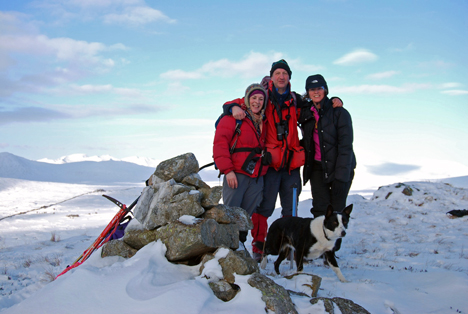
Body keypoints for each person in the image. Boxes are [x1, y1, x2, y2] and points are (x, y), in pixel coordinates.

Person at [224, 60, 343, 260]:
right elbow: (236, 102)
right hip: (269, 165)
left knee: (291, 210)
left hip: (291, 168)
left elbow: (316, 106)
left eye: (284, 73)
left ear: (289, 77)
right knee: (264, 209)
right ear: (272, 76)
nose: (281, 77)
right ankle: (259, 246)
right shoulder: (263, 97)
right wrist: (232, 107)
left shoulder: (296, 100)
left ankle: (289, 248)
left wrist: (334, 100)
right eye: (277, 73)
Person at [213, 83, 269, 249]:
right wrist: (228, 171)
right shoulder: (233, 118)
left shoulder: (262, 120)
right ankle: (223, 253)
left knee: (244, 217)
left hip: (256, 175)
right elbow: (220, 144)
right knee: (230, 213)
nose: (257, 102)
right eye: (254, 98)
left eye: (261, 99)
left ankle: (240, 251)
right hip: (236, 173)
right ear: (247, 99)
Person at [298, 74, 356, 218]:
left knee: (336, 212)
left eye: (319, 88)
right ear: (308, 93)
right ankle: (321, 241)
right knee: (320, 211)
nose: (316, 92)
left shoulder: (340, 113)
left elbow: (346, 147)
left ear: (325, 90)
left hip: (340, 167)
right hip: (317, 168)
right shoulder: (306, 114)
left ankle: (335, 241)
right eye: (312, 89)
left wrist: (341, 177)